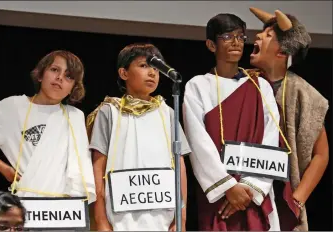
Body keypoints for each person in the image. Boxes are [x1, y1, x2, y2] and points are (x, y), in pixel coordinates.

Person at [182, 13, 295, 231]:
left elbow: (271, 137)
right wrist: (228, 187)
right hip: (219, 196)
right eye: (227, 36)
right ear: (211, 45)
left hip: (253, 193)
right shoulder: (198, 86)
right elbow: (198, 142)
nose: (235, 42)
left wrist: (249, 186)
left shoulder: (260, 86)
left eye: (241, 37)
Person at [86, 43, 191, 231]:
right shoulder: (109, 111)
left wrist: (180, 217)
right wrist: (101, 219)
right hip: (120, 220)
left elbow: (180, 167)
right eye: (144, 66)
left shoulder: (167, 113)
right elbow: (97, 166)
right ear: (124, 73)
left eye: (156, 68)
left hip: (162, 220)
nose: (152, 73)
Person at [248, 7, 329, 231]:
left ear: (282, 53)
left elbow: (321, 153)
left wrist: (297, 198)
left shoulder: (303, 93)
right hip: (247, 193)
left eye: (268, 35)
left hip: (282, 195)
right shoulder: (244, 84)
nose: (258, 36)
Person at [0, 50, 96, 203]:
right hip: (25, 205)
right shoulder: (12, 108)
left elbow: (80, 171)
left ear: (73, 87)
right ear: (41, 75)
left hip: (65, 209)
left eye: (69, 76)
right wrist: (5, 169)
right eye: (55, 70)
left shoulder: (75, 116)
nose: (60, 78)